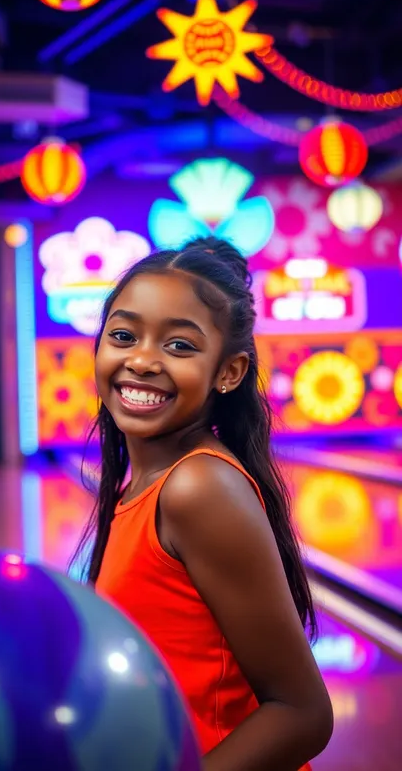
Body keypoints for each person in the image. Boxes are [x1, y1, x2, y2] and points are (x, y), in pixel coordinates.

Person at [73, 236, 333, 771]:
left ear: (229, 372)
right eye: (123, 335)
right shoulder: (144, 483)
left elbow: (303, 714)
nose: (142, 360)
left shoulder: (197, 489)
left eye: (180, 346)